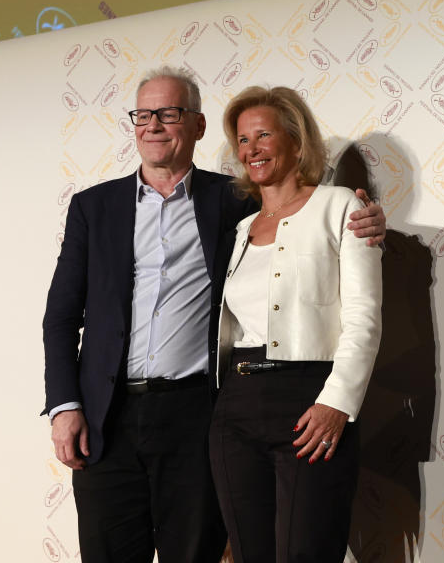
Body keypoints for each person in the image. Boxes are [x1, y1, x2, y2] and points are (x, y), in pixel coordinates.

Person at [42, 68, 385, 563]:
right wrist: (65, 406)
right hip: (107, 417)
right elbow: (60, 318)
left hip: (195, 416)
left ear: (198, 126)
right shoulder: (93, 208)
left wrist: (371, 222)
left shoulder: (234, 201)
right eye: (143, 114)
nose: (154, 125)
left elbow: (299, 215)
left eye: (169, 113)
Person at [208, 86, 383, 563]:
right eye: (243, 140)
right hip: (235, 410)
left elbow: (364, 318)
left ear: (296, 140)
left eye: (263, 135)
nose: (252, 150)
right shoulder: (241, 229)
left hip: (311, 400)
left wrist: (337, 404)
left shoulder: (342, 206)